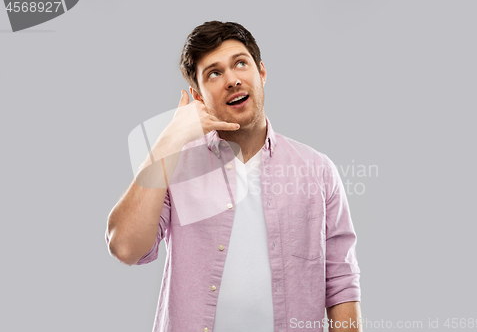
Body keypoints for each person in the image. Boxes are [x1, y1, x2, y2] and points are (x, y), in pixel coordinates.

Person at [106, 21, 362, 332]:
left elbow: (341, 284)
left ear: (262, 73)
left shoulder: (318, 170)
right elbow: (125, 247)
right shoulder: (175, 167)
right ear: (198, 97)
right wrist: (168, 141)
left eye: (240, 63)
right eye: (214, 73)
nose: (231, 80)